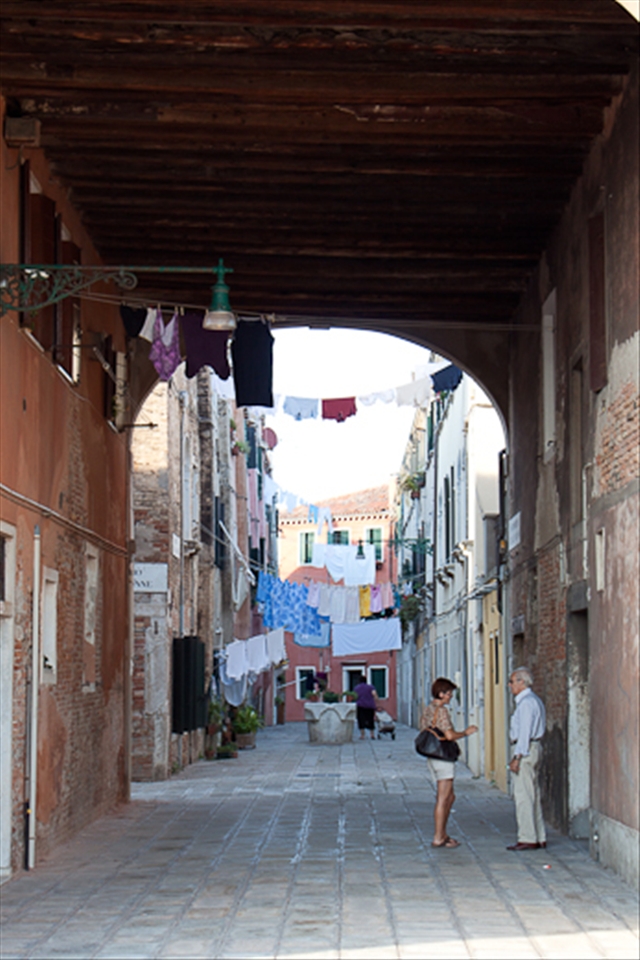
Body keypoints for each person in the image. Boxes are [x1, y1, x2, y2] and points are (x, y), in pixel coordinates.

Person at [419, 677, 478, 848]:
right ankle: (438, 837)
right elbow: (450, 735)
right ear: (441, 693)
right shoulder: (442, 711)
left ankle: (443, 834)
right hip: (442, 757)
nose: (451, 696)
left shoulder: (429, 708)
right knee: (443, 798)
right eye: (449, 693)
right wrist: (466, 733)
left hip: (432, 756)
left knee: (450, 797)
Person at [507, 667, 547, 851]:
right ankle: (539, 835)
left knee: (523, 795)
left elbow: (524, 733)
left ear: (522, 682)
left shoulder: (526, 704)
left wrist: (517, 756)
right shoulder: (534, 701)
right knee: (534, 794)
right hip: (534, 747)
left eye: (512, 681)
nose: (510, 685)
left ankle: (527, 837)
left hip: (525, 749)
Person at [354, 674, 378, 740]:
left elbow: (354, 696)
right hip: (370, 706)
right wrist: (377, 702)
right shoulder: (371, 687)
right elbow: (375, 695)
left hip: (360, 706)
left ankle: (362, 735)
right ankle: (372, 735)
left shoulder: (356, 688)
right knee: (371, 720)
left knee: (361, 720)